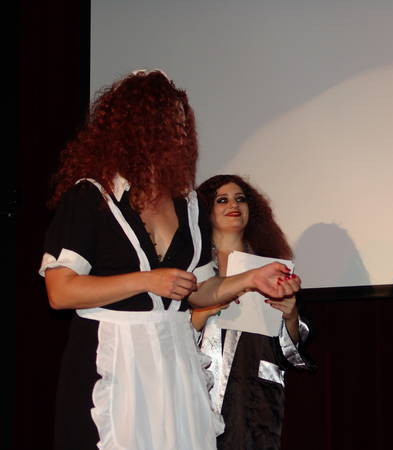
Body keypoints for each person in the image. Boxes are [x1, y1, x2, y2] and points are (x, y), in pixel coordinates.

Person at [39, 71, 300, 450]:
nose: (177, 135)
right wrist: (146, 280)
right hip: (114, 356)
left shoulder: (188, 204)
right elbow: (60, 292)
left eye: (181, 125)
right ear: (132, 128)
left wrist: (251, 279)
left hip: (175, 357)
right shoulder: (91, 197)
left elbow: (198, 290)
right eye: (165, 123)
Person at [192, 174, 312, 450]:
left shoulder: (271, 269)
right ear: (205, 210)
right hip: (199, 387)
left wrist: (290, 316)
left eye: (240, 199)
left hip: (254, 398)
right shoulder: (192, 268)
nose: (233, 205)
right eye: (222, 200)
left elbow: (289, 352)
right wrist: (200, 315)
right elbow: (164, 331)